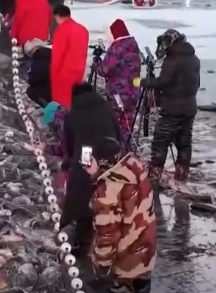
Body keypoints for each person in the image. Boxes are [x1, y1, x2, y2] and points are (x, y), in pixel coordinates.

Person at [86, 137, 157, 293]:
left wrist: (102, 265)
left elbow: (107, 233)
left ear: (101, 162)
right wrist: (98, 174)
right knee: (143, 286)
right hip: (146, 250)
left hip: (126, 260)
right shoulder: (135, 166)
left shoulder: (107, 191)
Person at [59, 82, 120, 259]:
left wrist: (68, 162)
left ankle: (82, 239)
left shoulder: (72, 114)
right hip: (108, 151)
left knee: (83, 189)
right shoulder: (107, 107)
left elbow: (69, 144)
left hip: (86, 152)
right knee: (109, 191)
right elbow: (117, 132)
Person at [137, 29, 200, 182]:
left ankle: (153, 178)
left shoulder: (172, 60)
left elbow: (162, 82)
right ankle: (182, 175)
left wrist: (140, 82)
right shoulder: (194, 58)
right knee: (184, 142)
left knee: (160, 142)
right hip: (190, 107)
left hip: (172, 109)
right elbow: (197, 84)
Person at [94, 19, 142, 150]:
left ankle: (115, 149)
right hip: (133, 92)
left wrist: (97, 65)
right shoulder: (133, 46)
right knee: (127, 121)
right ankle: (126, 147)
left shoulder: (116, 48)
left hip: (118, 92)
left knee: (114, 121)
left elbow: (105, 69)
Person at [11, 0, 53, 74]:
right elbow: (50, 15)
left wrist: (14, 37)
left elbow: (17, 20)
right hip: (42, 35)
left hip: (27, 37)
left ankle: (27, 76)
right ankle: (40, 74)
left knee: (28, 58)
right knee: (39, 56)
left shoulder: (21, 0)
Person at [51, 5, 89, 109]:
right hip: (79, 71)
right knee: (76, 100)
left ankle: (61, 123)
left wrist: (53, 72)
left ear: (58, 16)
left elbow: (57, 56)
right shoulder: (83, 30)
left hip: (65, 73)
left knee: (62, 104)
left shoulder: (61, 31)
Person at [22, 39, 52, 106]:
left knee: (30, 91)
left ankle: (47, 106)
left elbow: (33, 80)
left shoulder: (38, 61)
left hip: (51, 94)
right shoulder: (53, 54)